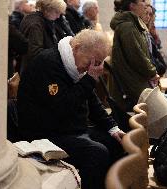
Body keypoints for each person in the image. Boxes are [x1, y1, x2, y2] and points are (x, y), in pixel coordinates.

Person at [17, 29, 126, 189]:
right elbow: (61, 107)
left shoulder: (76, 66)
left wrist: (112, 127)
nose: (93, 67)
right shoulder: (48, 64)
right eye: (92, 61)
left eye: (98, 63)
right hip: (45, 134)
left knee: (116, 142)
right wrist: (90, 79)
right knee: (97, 153)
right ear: (76, 48)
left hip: (69, 129)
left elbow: (91, 100)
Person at [109, 0, 159, 112]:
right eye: (142, 1)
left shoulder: (132, 24)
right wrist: (152, 72)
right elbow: (137, 57)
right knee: (154, 111)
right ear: (132, 6)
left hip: (135, 78)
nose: (145, 5)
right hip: (132, 81)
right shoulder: (127, 26)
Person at [19, 0, 67, 73]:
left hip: (36, 69)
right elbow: (35, 52)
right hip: (35, 72)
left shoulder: (39, 19)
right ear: (47, 9)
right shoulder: (36, 25)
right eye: (56, 12)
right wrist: (58, 54)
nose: (58, 16)